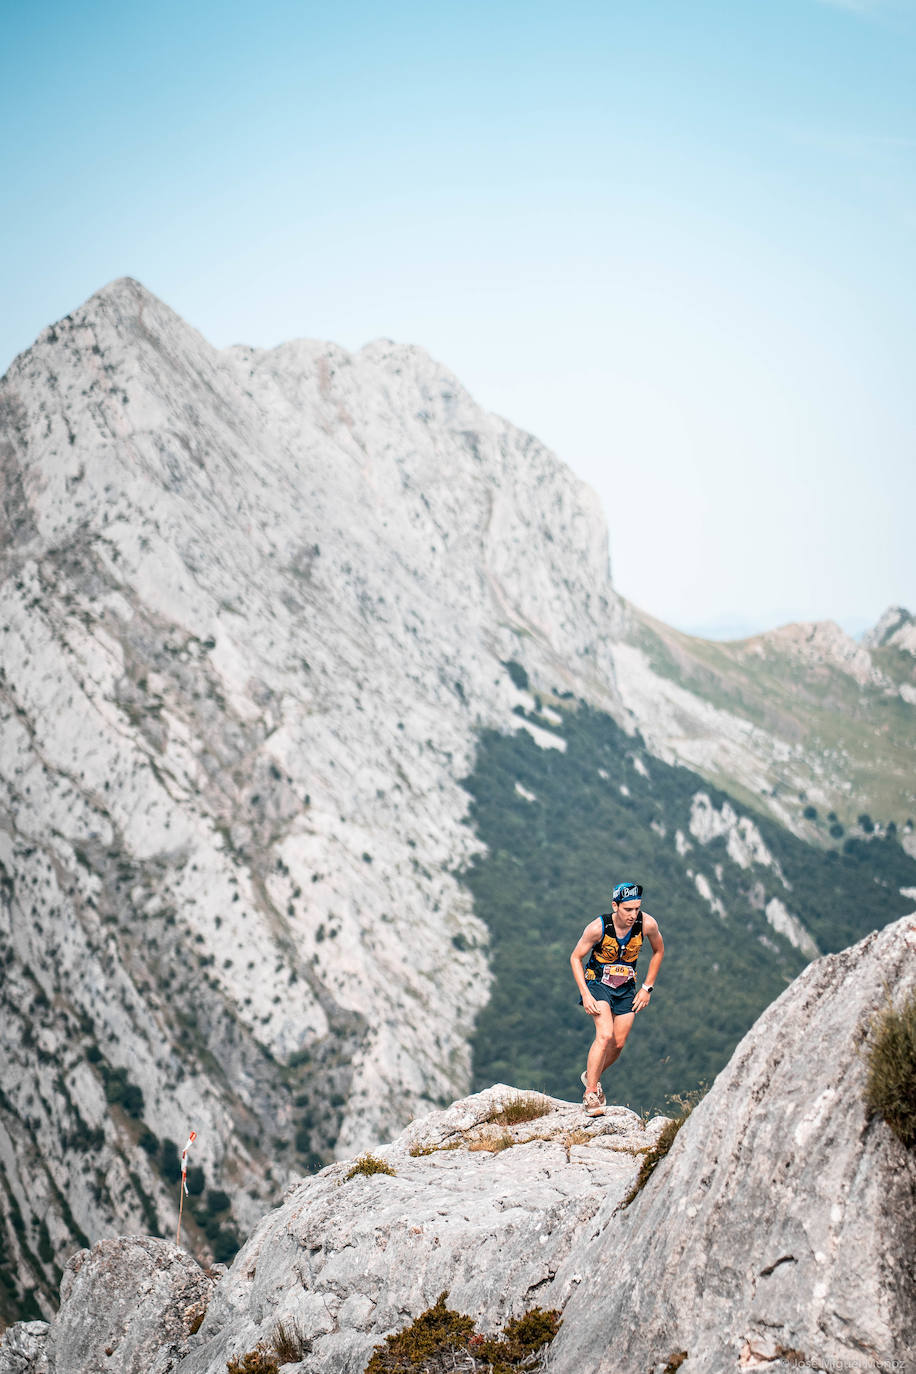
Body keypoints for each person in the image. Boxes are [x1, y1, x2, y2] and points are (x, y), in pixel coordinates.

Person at [569, 881, 664, 1116]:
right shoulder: (598, 928)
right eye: (628, 909)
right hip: (598, 983)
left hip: (626, 987)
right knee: (605, 1034)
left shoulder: (647, 924)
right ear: (615, 906)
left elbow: (659, 951)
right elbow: (575, 958)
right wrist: (585, 993)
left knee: (618, 1043)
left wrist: (647, 988)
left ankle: (591, 1075)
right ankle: (591, 1093)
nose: (633, 915)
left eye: (637, 909)